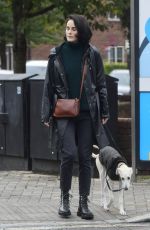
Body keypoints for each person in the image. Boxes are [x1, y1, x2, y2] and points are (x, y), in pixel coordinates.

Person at [41, 14, 109, 220]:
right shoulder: (56, 54)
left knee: (85, 158)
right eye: (67, 28)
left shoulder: (92, 53)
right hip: (63, 111)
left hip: (87, 113)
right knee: (68, 154)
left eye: (73, 28)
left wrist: (104, 110)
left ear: (81, 30)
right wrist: (45, 113)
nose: (69, 32)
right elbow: (48, 86)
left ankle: (83, 203)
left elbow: (101, 84)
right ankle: (64, 199)